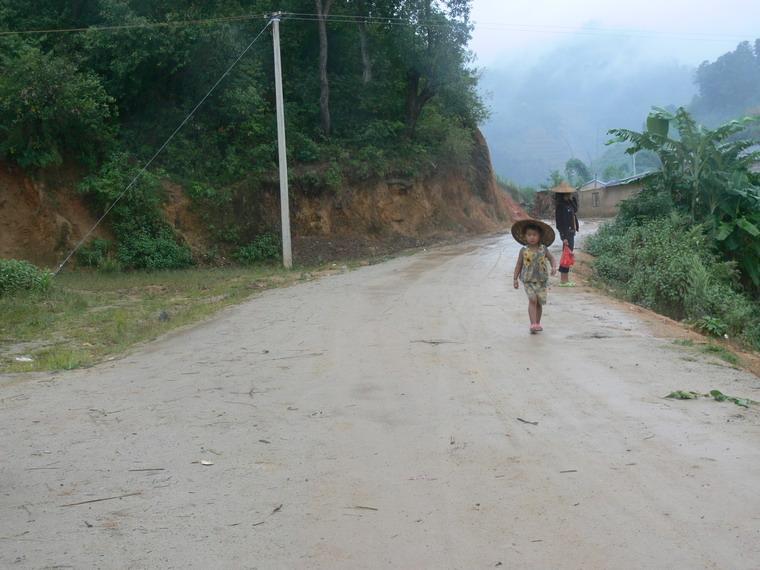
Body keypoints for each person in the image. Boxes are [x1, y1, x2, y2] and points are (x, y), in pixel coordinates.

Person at [512, 219, 558, 334]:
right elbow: (519, 264)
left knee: (539, 302)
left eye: (534, 235)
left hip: (541, 280)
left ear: (539, 236)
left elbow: (552, 258)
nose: (531, 237)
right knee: (533, 300)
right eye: (529, 235)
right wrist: (515, 279)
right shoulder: (523, 250)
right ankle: (532, 323)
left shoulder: (543, 249)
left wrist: (553, 267)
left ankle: (537, 323)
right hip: (528, 280)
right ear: (525, 236)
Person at [552, 182, 580, 286]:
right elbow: (560, 224)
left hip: (571, 232)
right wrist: (563, 237)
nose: (570, 194)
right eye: (568, 193)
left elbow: (576, 210)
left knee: (568, 255)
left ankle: (565, 279)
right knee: (566, 255)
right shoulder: (560, 207)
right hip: (566, 233)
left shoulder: (568, 203)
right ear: (563, 194)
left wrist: (573, 199)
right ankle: (563, 280)